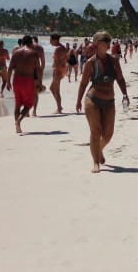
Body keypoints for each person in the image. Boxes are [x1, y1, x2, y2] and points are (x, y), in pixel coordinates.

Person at [76, 31, 128, 174]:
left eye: (108, 42)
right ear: (98, 44)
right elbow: (83, 83)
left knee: (108, 134)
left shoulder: (114, 61)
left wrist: (125, 94)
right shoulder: (90, 62)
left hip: (109, 101)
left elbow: (120, 79)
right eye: (105, 42)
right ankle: (96, 162)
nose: (108, 45)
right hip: (92, 100)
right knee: (95, 132)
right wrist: (79, 100)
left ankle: (98, 149)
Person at [7, 35, 39, 133]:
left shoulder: (16, 53)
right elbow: (38, 69)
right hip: (28, 79)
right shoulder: (34, 54)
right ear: (30, 43)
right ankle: (19, 121)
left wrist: (8, 81)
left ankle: (17, 127)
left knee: (17, 104)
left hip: (16, 79)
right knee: (29, 103)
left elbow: (10, 68)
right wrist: (39, 81)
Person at [49, 34, 69, 113]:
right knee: (52, 88)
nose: (50, 42)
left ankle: (59, 108)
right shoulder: (63, 48)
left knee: (56, 90)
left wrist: (56, 72)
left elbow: (57, 62)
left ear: (55, 40)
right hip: (62, 69)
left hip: (58, 70)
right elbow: (64, 60)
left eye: (50, 40)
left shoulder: (58, 49)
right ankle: (59, 106)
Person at [30, 36, 46, 116]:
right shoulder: (40, 48)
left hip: (27, 71)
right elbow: (43, 63)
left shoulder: (27, 46)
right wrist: (41, 74)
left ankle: (26, 112)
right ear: (37, 40)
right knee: (35, 92)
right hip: (36, 71)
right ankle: (34, 111)